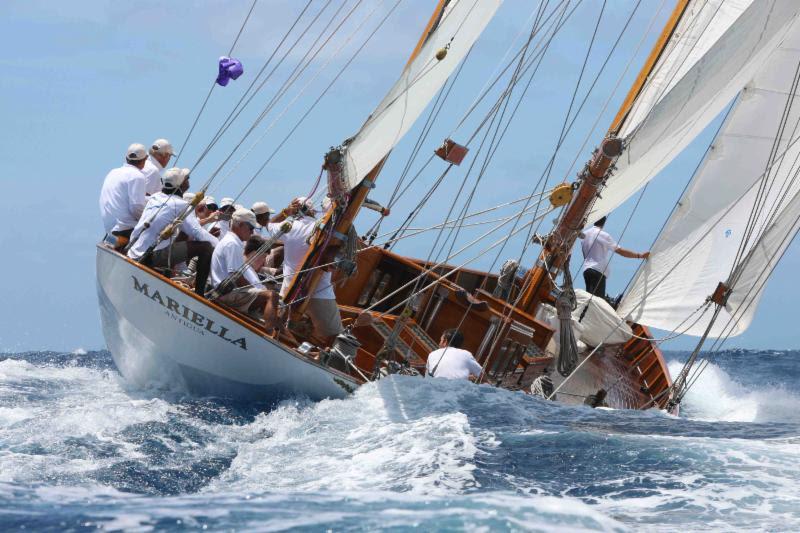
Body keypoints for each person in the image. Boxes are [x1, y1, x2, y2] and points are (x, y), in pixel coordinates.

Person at [127, 168, 218, 295]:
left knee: (178, 236)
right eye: (186, 179)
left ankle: (167, 275)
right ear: (181, 185)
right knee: (206, 247)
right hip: (149, 257)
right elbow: (197, 233)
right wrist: (219, 245)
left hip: (133, 251)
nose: (188, 180)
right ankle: (199, 294)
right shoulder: (180, 205)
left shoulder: (155, 197)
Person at [267, 196, 342, 346]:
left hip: (290, 291)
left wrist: (285, 212)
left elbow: (269, 224)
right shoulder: (323, 228)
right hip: (319, 293)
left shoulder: (288, 226)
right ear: (313, 211)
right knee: (336, 337)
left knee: (278, 330)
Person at [210, 208, 279, 329]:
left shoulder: (232, 241)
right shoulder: (232, 243)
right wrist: (257, 293)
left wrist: (256, 293)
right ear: (240, 225)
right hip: (226, 294)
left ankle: (280, 337)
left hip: (228, 292)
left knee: (269, 301)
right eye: (251, 228)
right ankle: (269, 336)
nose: (252, 232)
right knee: (271, 296)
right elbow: (236, 277)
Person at [579, 216, 649, 299]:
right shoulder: (603, 235)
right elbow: (621, 251)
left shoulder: (584, 235)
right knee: (596, 302)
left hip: (587, 270)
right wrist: (639, 255)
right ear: (604, 222)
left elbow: (585, 255)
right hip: (597, 271)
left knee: (589, 299)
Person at [99, 143, 148, 249]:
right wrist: (150, 222)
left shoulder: (113, 172)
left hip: (110, 232)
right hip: (124, 231)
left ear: (126, 158)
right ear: (145, 160)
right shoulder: (137, 176)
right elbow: (136, 207)